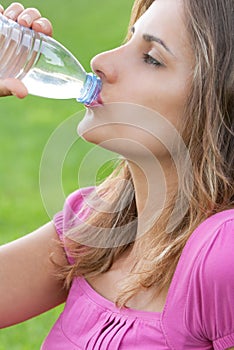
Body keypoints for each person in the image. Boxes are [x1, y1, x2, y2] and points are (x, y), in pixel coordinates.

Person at [0, 0, 233, 349]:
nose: (100, 61)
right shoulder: (94, 226)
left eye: (152, 58)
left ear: (219, 105)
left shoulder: (221, 253)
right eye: (130, 38)